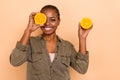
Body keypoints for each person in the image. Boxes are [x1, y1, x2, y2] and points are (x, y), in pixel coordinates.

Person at [10, 5, 92, 80]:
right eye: (44, 19)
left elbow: (82, 68)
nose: (47, 23)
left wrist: (82, 38)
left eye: (52, 20)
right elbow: (15, 61)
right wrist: (28, 30)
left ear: (59, 21)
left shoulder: (67, 46)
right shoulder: (30, 42)